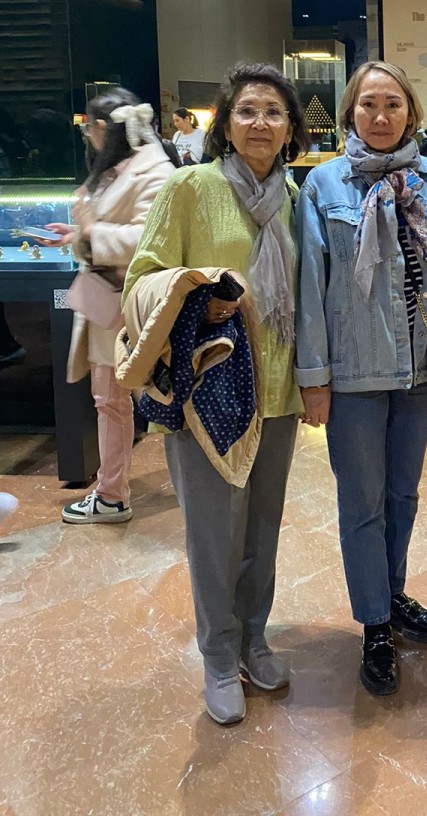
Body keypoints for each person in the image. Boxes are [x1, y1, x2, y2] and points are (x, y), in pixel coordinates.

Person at [125, 62, 308, 726]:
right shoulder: (190, 187)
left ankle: (255, 637)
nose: (260, 123)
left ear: (290, 129)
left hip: (277, 391)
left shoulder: (294, 197)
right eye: (247, 111)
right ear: (225, 125)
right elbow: (143, 278)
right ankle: (218, 653)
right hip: (208, 391)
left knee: (262, 526)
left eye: (273, 113)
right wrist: (196, 301)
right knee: (214, 533)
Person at [296, 62, 427, 697]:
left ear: (411, 112)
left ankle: (392, 592)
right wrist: (314, 377)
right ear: (350, 113)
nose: (381, 116)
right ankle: (374, 625)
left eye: (393, 104)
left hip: (418, 369)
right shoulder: (324, 185)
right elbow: (311, 288)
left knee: (403, 495)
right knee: (361, 502)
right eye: (368, 104)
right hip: (354, 370)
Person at [37, 90, 175, 524]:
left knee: (139, 399)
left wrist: (90, 231)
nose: (88, 139)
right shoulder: (126, 166)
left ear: (100, 128)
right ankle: (111, 490)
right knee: (111, 400)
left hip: (132, 306)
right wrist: (75, 235)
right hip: (108, 304)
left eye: (88, 131)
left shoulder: (155, 169)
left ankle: (114, 494)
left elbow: (147, 239)